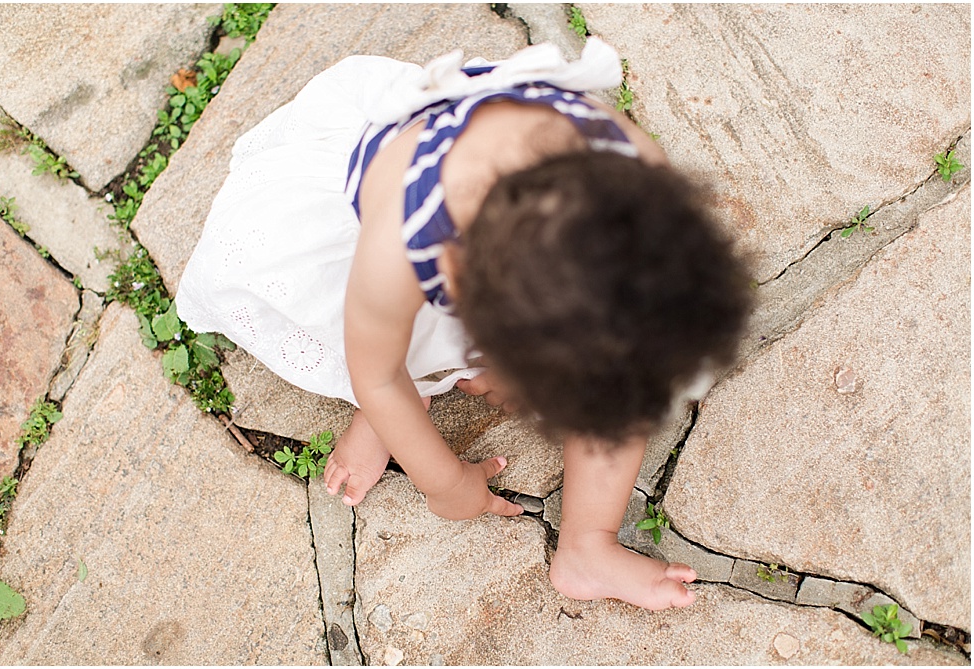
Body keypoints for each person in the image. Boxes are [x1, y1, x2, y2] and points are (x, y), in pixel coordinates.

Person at [176, 38, 751, 611]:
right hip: (346, 241)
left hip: (493, 230)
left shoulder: (624, 163)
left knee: (625, 391)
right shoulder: (395, 249)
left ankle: (586, 546)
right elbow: (373, 372)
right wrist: (445, 484)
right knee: (384, 363)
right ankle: (406, 405)